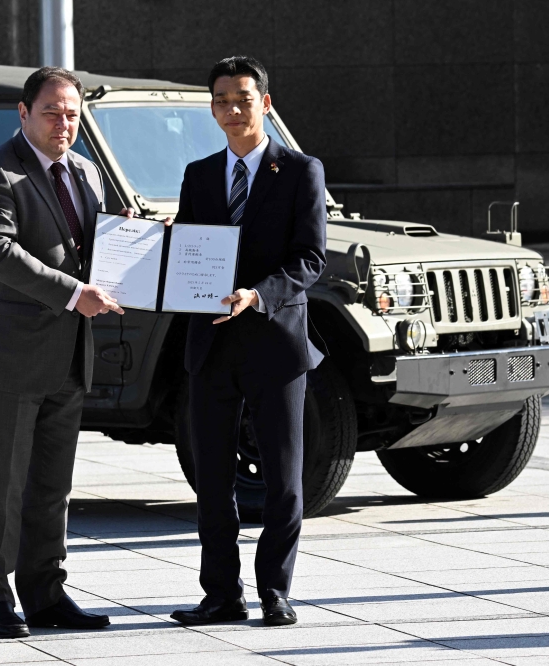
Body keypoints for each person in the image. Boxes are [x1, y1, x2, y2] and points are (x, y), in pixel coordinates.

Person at [0, 66, 123, 638]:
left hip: (68, 355)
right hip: (7, 357)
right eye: (51, 111)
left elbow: (103, 247)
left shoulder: (87, 173)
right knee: (0, 485)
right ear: (23, 114)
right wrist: (76, 294)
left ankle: (47, 595)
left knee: (52, 486)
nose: (64, 122)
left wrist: (151, 243)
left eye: (73, 113)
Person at [169, 55, 327, 627]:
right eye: (221, 100)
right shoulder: (199, 174)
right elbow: (189, 248)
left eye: (242, 98)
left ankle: (275, 591)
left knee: (284, 478)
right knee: (211, 477)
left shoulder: (302, 170)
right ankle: (221, 594)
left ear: (265, 102)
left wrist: (256, 295)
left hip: (275, 342)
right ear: (211, 108)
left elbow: (310, 258)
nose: (232, 110)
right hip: (209, 344)